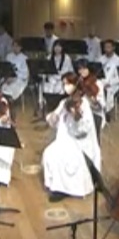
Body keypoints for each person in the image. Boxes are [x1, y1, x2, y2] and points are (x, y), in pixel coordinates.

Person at [43, 73, 101, 201]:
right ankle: (57, 186)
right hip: (66, 139)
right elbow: (54, 120)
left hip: (81, 143)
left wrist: (76, 118)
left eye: (68, 84)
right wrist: (54, 117)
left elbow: (84, 130)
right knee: (49, 152)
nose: (65, 87)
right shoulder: (65, 102)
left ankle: (65, 190)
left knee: (63, 156)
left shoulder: (83, 104)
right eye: (64, 84)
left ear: (75, 85)